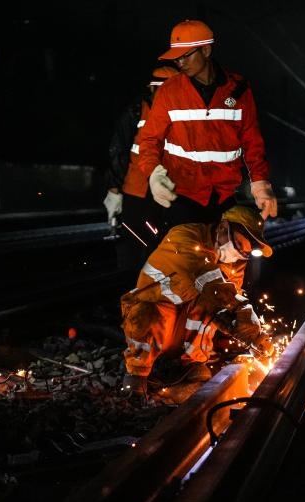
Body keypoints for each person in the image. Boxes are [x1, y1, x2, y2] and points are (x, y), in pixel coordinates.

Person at [136, 19, 278, 232]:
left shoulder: (238, 91)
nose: (179, 63)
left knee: (228, 259)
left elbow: (252, 142)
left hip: (225, 197)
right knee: (183, 259)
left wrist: (261, 185)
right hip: (181, 197)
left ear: (206, 50)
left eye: (186, 55)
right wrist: (154, 174)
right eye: (176, 57)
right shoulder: (169, 91)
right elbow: (149, 139)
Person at [120, 205, 274, 396]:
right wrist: (242, 308)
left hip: (180, 323)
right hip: (155, 310)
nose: (237, 253)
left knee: (210, 308)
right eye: (238, 244)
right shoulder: (185, 236)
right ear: (222, 227)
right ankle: (136, 374)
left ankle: (190, 363)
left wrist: (248, 335)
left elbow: (222, 306)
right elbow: (210, 282)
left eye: (244, 252)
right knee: (146, 314)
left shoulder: (236, 263)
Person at [104, 65, 178, 275]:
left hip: (169, 193)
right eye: (158, 89)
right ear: (151, 89)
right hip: (136, 191)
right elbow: (119, 149)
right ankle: (133, 290)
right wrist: (114, 189)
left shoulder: (184, 115)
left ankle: (160, 289)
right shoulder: (136, 111)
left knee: (165, 244)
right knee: (133, 244)